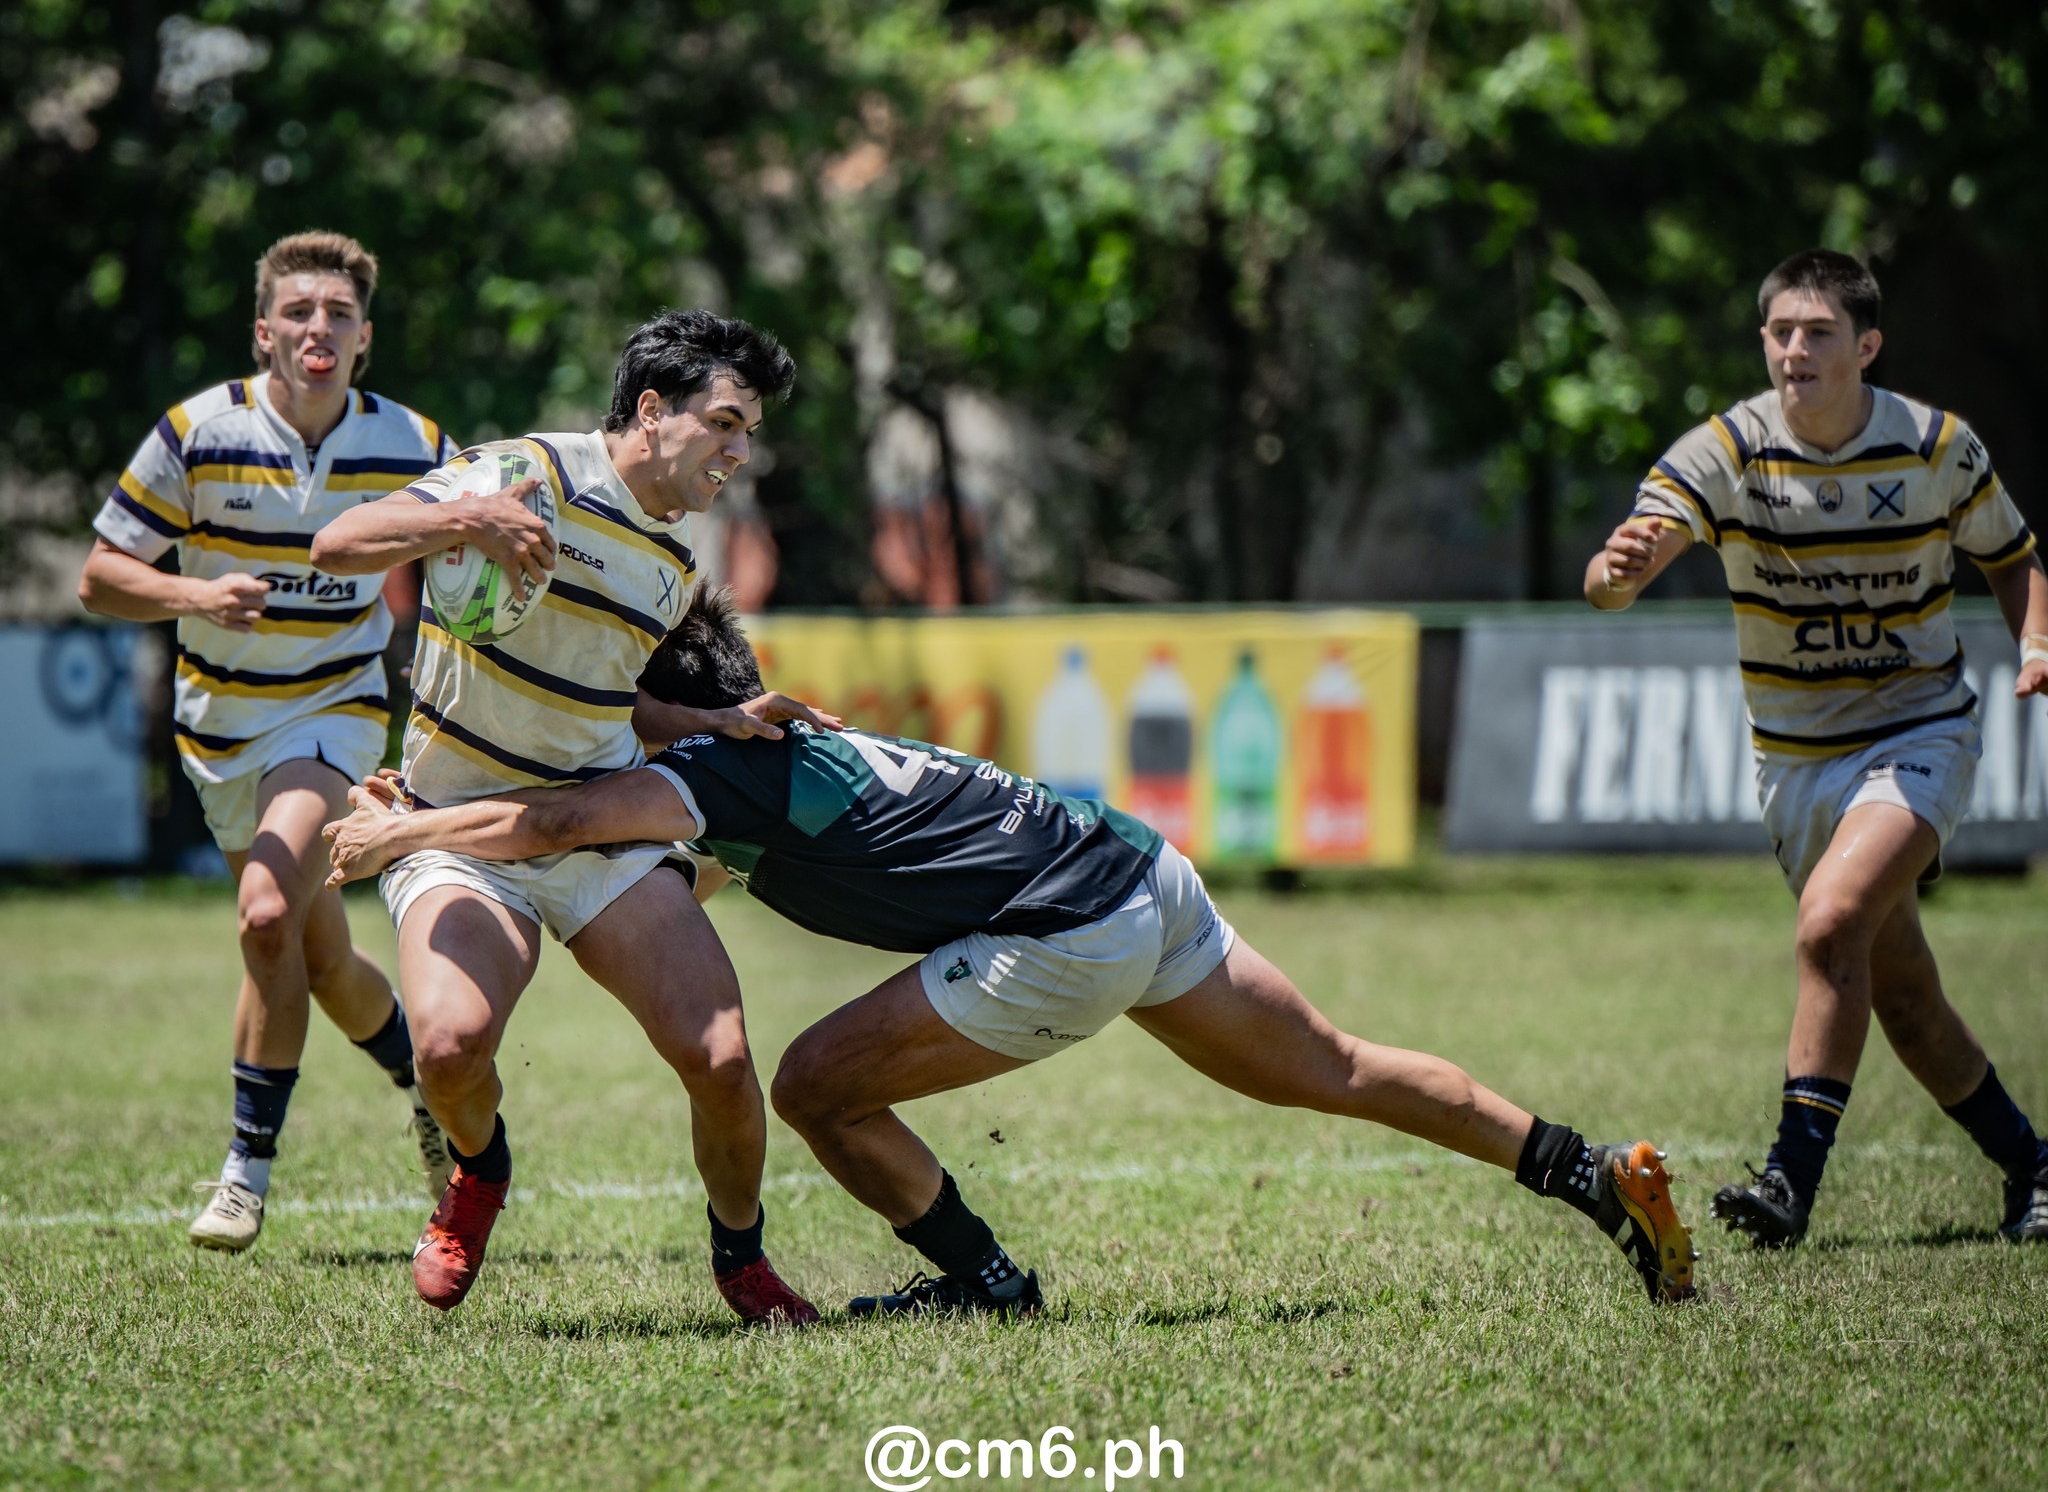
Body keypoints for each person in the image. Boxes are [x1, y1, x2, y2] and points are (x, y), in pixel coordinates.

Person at [326, 588, 1701, 1310]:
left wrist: (408, 834)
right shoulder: (774, 746)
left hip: (1064, 929)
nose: (603, 717)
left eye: (620, 698)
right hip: (1140, 873)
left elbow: (571, 816)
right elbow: (642, 847)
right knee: (1330, 1065)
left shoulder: (722, 765)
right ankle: (1591, 1172)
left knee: (810, 1084)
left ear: (671, 708)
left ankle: (986, 1284)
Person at [310, 311, 828, 1323]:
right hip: (460, 827)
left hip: (592, 829)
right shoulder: (526, 468)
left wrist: (711, 718)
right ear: (650, 410)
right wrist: (468, 521)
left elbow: (608, 696)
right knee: (451, 1047)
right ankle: (477, 1170)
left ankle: (742, 1258)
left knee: (720, 1056)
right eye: (725, 423)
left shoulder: (673, 564)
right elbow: (339, 542)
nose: (738, 450)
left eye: (749, 432)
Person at [1586, 248, 2048, 1248]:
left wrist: (2035, 642)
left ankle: (1787, 1183)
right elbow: (1634, 552)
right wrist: (1615, 572)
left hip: (1918, 728)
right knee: (1905, 996)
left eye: (1817, 332)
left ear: (1864, 345)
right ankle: (2034, 1166)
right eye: (1778, 332)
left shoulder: (1933, 445)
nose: (1793, 349)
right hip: (1791, 759)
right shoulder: (1723, 449)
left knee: (1826, 922)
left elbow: (2012, 559)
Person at [79, 230, 457, 1253]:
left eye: (336, 314)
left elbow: (476, 546)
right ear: (264, 331)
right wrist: (194, 591)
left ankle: (245, 1171)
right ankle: (436, 1092)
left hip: (330, 711)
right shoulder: (195, 431)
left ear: (363, 337)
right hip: (217, 727)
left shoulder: (416, 444)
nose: (316, 328)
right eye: (298, 312)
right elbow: (101, 576)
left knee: (261, 914)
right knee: (320, 957)